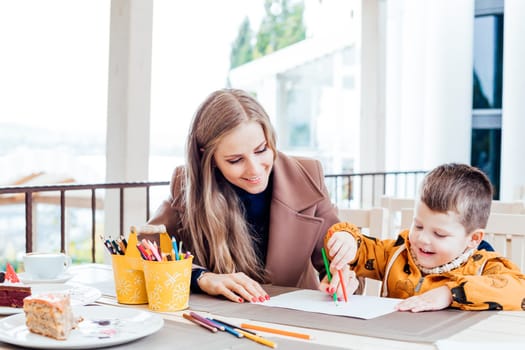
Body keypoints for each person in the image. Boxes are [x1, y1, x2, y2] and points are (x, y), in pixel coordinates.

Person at [148, 88, 358, 303]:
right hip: (220, 321)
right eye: (235, 160)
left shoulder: (307, 175)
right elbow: (140, 251)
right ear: (209, 159)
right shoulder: (187, 187)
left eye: (261, 150)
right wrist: (201, 277)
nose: (255, 170)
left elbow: (334, 264)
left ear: (270, 139)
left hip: (296, 319)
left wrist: (341, 276)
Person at [322, 163, 525, 311]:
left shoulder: (484, 267)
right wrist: (344, 238)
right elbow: (361, 249)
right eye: (418, 225)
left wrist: (449, 293)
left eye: (440, 234)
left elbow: (519, 290)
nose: (423, 239)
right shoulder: (396, 253)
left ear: (473, 239)